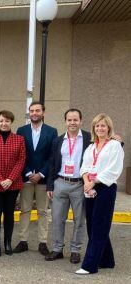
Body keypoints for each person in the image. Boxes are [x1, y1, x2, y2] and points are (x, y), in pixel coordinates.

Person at [76, 114, 125, 275]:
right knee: (93, 224)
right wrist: (86, 182)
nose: (100, 128)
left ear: (109, 128)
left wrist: (94, 181)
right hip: (90, 188)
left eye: (103, 126)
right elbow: (84, 166)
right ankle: (107, 260)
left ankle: (90, 265)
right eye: (97, 126)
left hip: (105, 188)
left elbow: (113, 169)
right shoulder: (91, 147)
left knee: (99, 226)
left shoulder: (114, 146)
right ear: (94, 128)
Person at [45, 109, 90, 264]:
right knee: (58, 219)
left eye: (75, 120)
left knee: (79, 220)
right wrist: (50, 185)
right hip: (60, 183)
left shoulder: (88, 138)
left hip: (79, 184)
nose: (72, 123)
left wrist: (117, 140)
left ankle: (75, 250)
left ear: (81, 121)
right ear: (65, 122)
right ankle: (57, 249)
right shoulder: (58, 141)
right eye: (69, 120)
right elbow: (52, 164)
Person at [14, 101, 58, 255]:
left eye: (37, 110)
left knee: (43, 212)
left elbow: (52, 156)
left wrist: (41, 174)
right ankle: (23, 241)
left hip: (43, 179)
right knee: (24, 210)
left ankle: (42, 243)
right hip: (25, 177)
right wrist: (27, 173)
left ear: (43, 113)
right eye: (31, 110)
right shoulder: (21, 130)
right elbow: (19, 154)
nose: (34, 113)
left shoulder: (52, 131)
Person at [0, 110, 26, 257]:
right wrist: (0, 180)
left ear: (11, 122)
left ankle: (7, 242)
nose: (4, 123)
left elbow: (21, 161)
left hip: (12, 184)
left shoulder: (19, 139)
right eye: (1, 121)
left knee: (9, 214)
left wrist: (9, 179)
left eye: (7, 121)